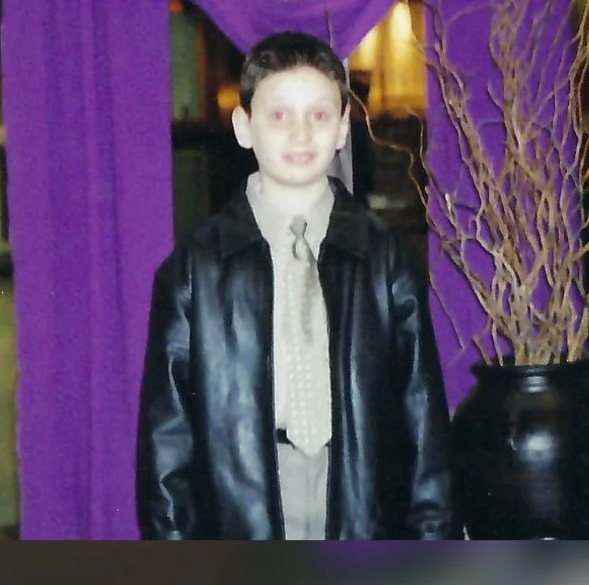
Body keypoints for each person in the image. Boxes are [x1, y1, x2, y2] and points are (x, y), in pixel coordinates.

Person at [138, 30, 454, 540]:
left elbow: (422, 417)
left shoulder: (384, 260)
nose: (301, 134)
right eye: (279, 115)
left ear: (342, 129)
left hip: (358, 492)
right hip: (243, 496)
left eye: (319, 114)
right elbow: (167, 434)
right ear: (245, 127)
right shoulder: (196, 268)